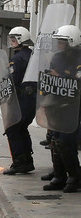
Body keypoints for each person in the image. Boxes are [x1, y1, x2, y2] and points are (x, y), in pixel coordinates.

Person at [40, 25, 81, 192]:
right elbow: (52, 76)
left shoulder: (79, 58)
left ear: (72, 41)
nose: (59, 44)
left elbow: (77, 80)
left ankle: (75, 177)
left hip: (75, 106)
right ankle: (59, 176)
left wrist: (62, 77)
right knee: (55, 141)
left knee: (66, 141)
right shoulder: (57, 57)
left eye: (62, 41)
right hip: (58, 105)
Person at [2, 26, 37, 175]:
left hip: (21, 98)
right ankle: (27, 159)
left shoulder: (17, 58)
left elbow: (13, 79)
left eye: (14, 39)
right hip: (33, 99)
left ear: (21, 39)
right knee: (22, 128)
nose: (11, 42)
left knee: (12, 128)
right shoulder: (33, 55)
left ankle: (19, 161)